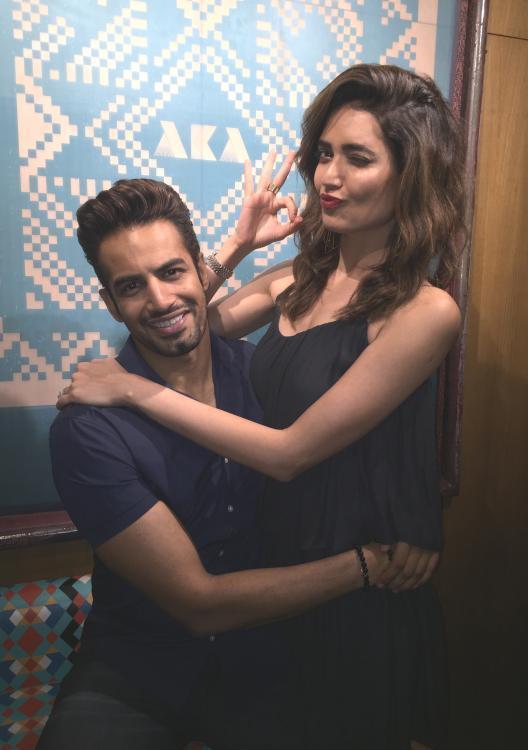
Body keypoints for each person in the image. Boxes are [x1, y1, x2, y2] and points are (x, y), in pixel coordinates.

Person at [58, 64, 465, 749]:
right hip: (280, 580)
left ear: (411, 176)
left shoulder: (425, 312)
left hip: (362, 575)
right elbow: (183, 322)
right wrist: (238, 243)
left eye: (357, 158)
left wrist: (131, 389)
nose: (328, 176)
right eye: (323, 154)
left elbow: (289, 453)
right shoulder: (297, 279)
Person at [40, 175, 397, 750]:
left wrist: (238, 245)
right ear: (111, 304)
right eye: (131, 286)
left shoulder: (264, 376)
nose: (160, 299)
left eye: (172, 272)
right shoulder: (87, 429)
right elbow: (198, 604)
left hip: (267, 662)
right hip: (135, 673)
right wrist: (366, 566)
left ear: (198, 272)